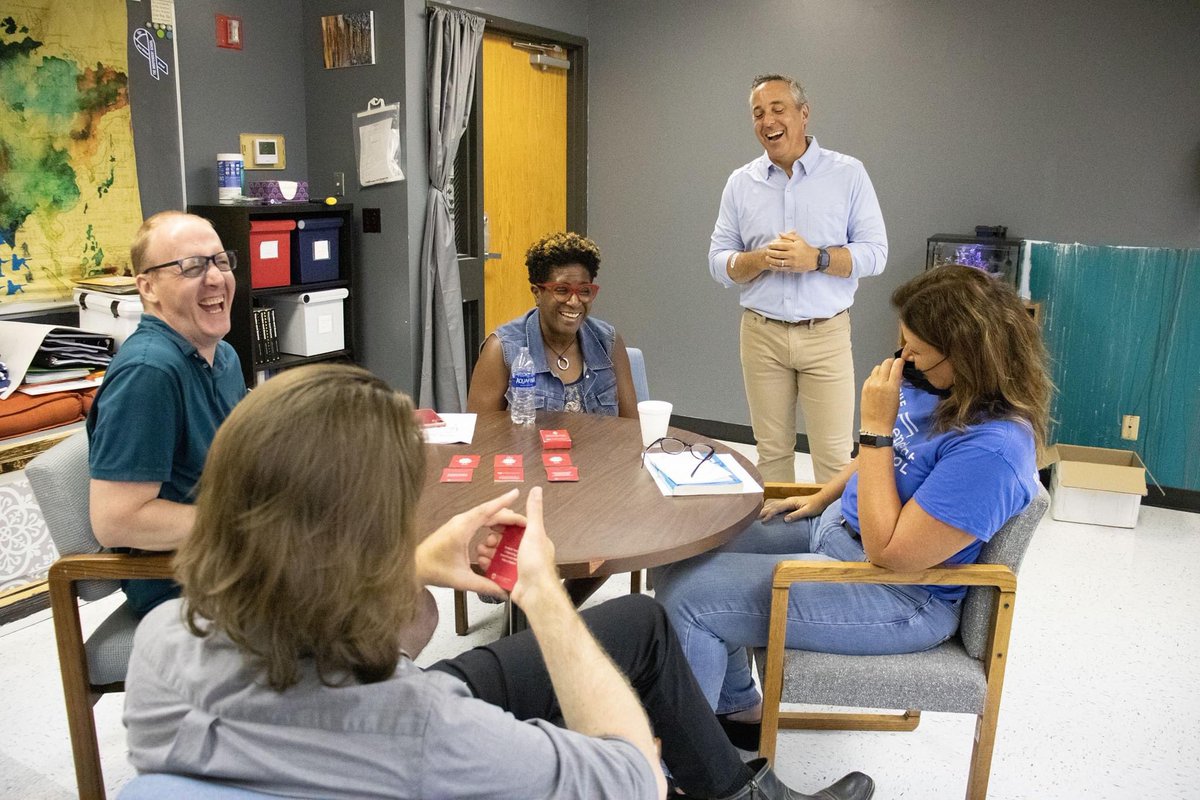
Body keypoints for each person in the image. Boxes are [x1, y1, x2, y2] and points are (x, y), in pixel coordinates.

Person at [123, 364, 874, 800]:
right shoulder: (427, 733)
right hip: (383, 723)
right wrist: (542, 593)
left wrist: (407, 565)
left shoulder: (162, 645)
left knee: (640, 625)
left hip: (335, 711)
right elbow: (631, 779)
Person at [653, 265, 1052, 745]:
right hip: (840, 529)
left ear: (966, 355)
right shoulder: (936, 385)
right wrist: (822, 496)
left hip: (901, 592)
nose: (904, 358)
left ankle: (691, 771)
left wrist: (876, 426)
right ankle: (737, 709)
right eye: (903, 343)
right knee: (682, 548)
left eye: (918, 351)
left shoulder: (993, 450)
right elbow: (879, 457)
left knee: (691, 598)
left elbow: (891, 552)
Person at [709, 74, 888, 483]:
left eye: (777, 109)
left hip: (825, 334)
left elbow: (876, 254)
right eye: (758, 114)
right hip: (761, 335)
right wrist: (759, 259)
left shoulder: (848, 174)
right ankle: (777, 546)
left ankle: (831, 545)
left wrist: (818, 258)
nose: (767, 121)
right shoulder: (741, 183)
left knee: (833, 459)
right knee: (770, 456)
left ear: (803, 114)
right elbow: (718, 262)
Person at [86, 210, 246, 617]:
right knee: (395, 606)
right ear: (148, 287)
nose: (214, 278)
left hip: (237, 559)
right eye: (191, 267)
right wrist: (248, 527)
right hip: (186, 580)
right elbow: (116, 521)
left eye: (220, 261)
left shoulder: (222, 356)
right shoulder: (149, 372)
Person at [467, 231, 639, 419]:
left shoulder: (608, 342)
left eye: (584, 290)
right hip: (526, 449)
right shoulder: (502, 349)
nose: (574, 301)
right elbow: (480, 436)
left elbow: (631, 430)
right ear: (537, 293)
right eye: (562, 290)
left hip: (602, 449)